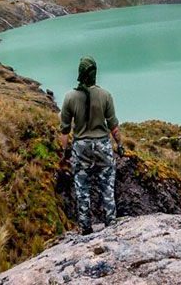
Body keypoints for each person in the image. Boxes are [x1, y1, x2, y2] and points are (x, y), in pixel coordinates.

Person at [59, 56, 125, 235]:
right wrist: (119, 145)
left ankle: (85, 227)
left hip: (81, 148)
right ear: (95, 73)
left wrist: (65, 152)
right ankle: (110, 223)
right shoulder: (105, 95)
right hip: (103, 146)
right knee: (107, 186)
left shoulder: (70, 97)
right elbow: (114, 127)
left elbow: (65, 130)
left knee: (82, 188)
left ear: (80, 72)